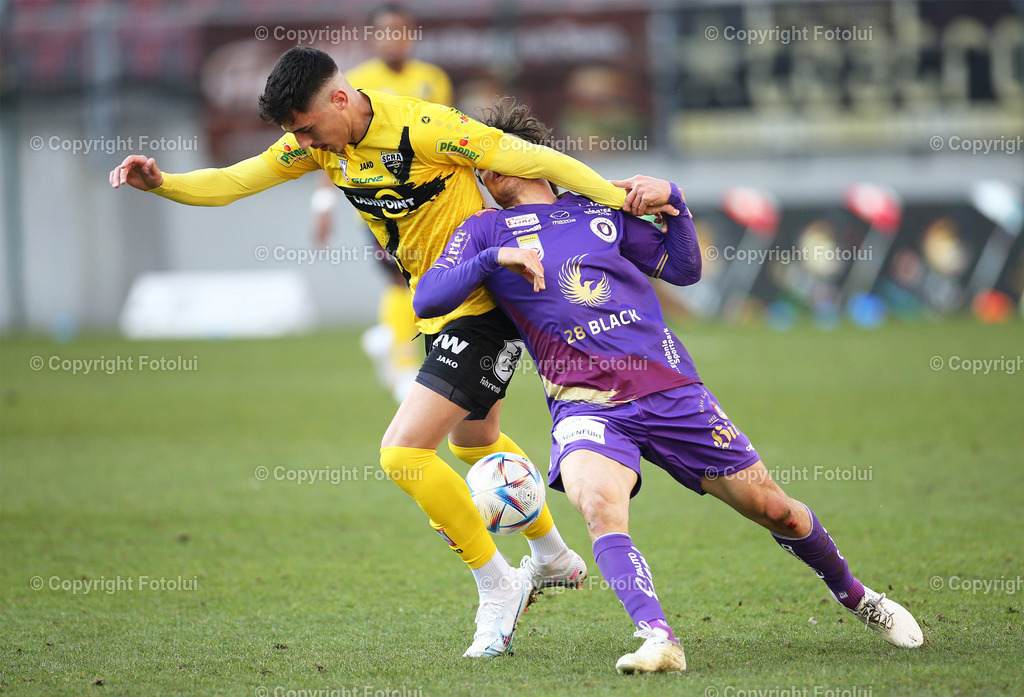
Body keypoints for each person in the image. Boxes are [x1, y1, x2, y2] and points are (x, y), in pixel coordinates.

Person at [108, 47, 675, 658]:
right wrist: (163, 183)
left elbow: (531, 156)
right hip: (439, 307)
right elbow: (235, 181)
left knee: (403, 454)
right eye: (293, 134)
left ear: (341, 100)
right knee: (473, 444)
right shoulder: (321, 147)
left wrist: (618, 200)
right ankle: (554, 555)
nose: (302, 142)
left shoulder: (426, 127)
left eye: (305, 127)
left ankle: (498, 583)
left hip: (481, 306)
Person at [414, 98, 925, 673]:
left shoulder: (595, 209)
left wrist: (676, 204)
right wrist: (494, 257)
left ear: (522, 158)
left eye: (492, 159)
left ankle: (859, 597)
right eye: (480, 165)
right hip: (587, 405)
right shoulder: (482, 230)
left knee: (775, 510)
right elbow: (427, 298)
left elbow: (683, 270)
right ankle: (658, 637)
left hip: (671, 391)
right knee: (599, 507)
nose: (484, 174)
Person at [312, 4, 454, 402]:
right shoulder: (357, 83)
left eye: (402, 31)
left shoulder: (433, 80)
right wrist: (323, 204)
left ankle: (390, 339)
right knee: (399, 276)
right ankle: (404, 360)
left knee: (427, 276)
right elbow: (334, 146)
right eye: (387, 32)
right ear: (374, 37)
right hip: (378, 203)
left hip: (429, 205)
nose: (396, 39)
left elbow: (447, 136)